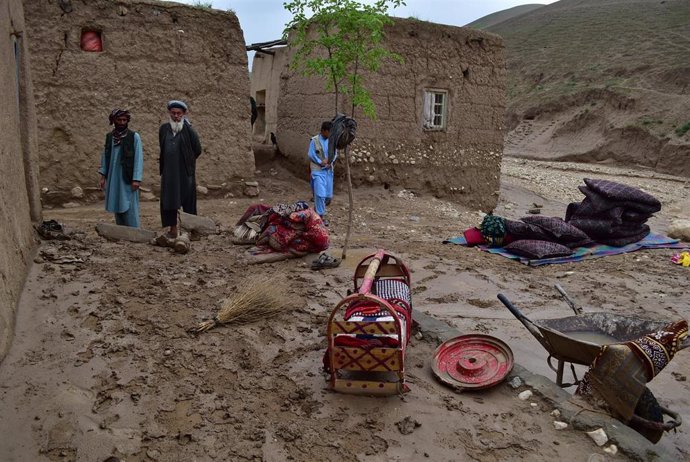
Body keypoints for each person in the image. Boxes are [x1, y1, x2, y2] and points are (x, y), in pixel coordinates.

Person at [158, 100, 202, 237]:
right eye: (173, 113)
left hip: (185, 173)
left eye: (179, 113)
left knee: (188, 201)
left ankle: (190, 231)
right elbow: (163, 147)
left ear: (183, 114)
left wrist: (187, 161)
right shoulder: (164, 129)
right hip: (169, 173)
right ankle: (172, 230)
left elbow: (197, 149)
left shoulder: (189, 130)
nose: (176, 116)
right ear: (169, 113)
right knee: (169, 200)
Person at [98, 109, 143, 227]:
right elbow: (105, 156)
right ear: (114, 121)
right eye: (119, 120)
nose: (122, 122)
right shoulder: (109, 137)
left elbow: (138, 158)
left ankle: (134, 231)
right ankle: (121, 231)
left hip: (127, 177)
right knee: (117, 202)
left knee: (130, 205)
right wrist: (103, 176)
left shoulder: (134, 137)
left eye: (124, 120)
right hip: (113, 176)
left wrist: (136, 179)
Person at [308, 121, 336, 223]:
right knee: (320, 194)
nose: (331, 134)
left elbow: (335, 153)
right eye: (329, 132)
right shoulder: (314, 140)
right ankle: (320, 217)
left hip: (328, 171)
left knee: (327, 196)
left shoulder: (331, 141)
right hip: (318, 171)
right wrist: (321, 162)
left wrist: (330, 161)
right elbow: (311, 154)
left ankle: (316, 211)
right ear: (324, 131)